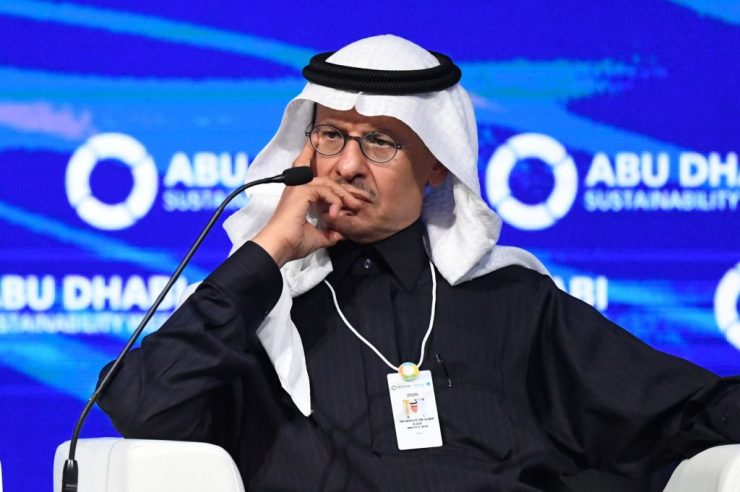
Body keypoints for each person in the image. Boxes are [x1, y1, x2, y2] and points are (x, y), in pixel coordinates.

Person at [98, 35, 739, 491]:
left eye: (380, 142)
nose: (347, 165)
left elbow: (690, 411)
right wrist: (269, 252)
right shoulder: (261, 314)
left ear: (437, 165)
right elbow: (142, 404)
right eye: (331, 136)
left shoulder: (511, 302)